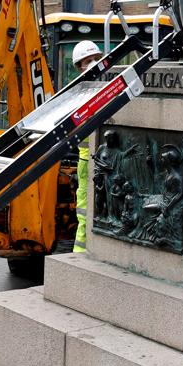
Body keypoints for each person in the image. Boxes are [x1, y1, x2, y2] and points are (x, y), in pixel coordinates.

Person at [71, 41, 103, 252]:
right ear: (79, 66)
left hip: (97, 159)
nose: (93, 64)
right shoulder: (80, 93)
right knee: (84, 211)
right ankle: (80, 254)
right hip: (86, 161)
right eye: (87, 61)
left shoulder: (100, 87)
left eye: (95, 60)